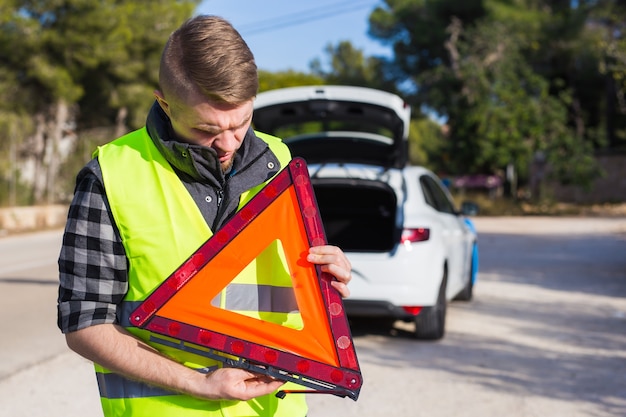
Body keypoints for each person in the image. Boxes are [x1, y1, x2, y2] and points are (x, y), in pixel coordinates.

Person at [57, 15, 352, 417]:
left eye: (242, 122)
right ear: (164, 102)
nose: (228, 143)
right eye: (206, 129)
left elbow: (275, 297)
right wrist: (198, 383)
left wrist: (324, 285)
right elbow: (84, 323)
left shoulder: (280, 162)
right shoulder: (112, 175)